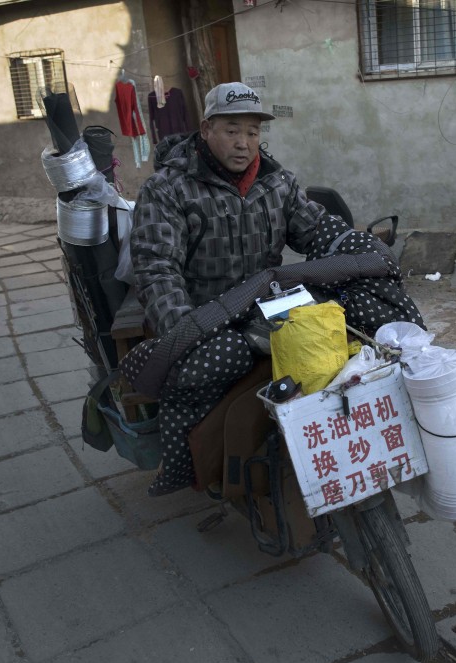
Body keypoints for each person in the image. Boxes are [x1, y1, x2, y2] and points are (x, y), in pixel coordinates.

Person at [125, 82, 422, 496]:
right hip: (206, 316)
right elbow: (157, 269)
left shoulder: (278, 183)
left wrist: (363, 250)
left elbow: (317, 229)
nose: (243, 143)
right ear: (206, 130)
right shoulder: (167, 189)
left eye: (252, 132)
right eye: (232, 131)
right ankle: (197, 460)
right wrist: (183, 330)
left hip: (264, 306)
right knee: (212, 363)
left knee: (358, 319)